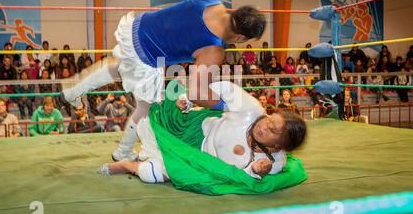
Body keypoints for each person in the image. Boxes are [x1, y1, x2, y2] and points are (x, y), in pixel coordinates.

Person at [62, 0, 266, 162]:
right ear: (240, 37)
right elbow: (196, 92)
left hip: (135, 30)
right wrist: (227, 105)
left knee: (119, 67)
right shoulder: (213, 49)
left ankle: (72, 90)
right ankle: (123, 151)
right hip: (147, 56)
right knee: (147, 107)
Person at [99, 81, 306, 184]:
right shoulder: (251, 109)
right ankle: (123, 153)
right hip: (195, 128)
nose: (264, 125)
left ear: (279, 145)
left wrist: (257, 170)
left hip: (200, 161)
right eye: (270, 119)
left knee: (152, 175)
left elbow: (247, 175)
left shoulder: (275, 161)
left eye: (272, 130)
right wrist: (190, 99)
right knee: (153, 113)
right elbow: (223, 87)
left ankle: (127, 165)